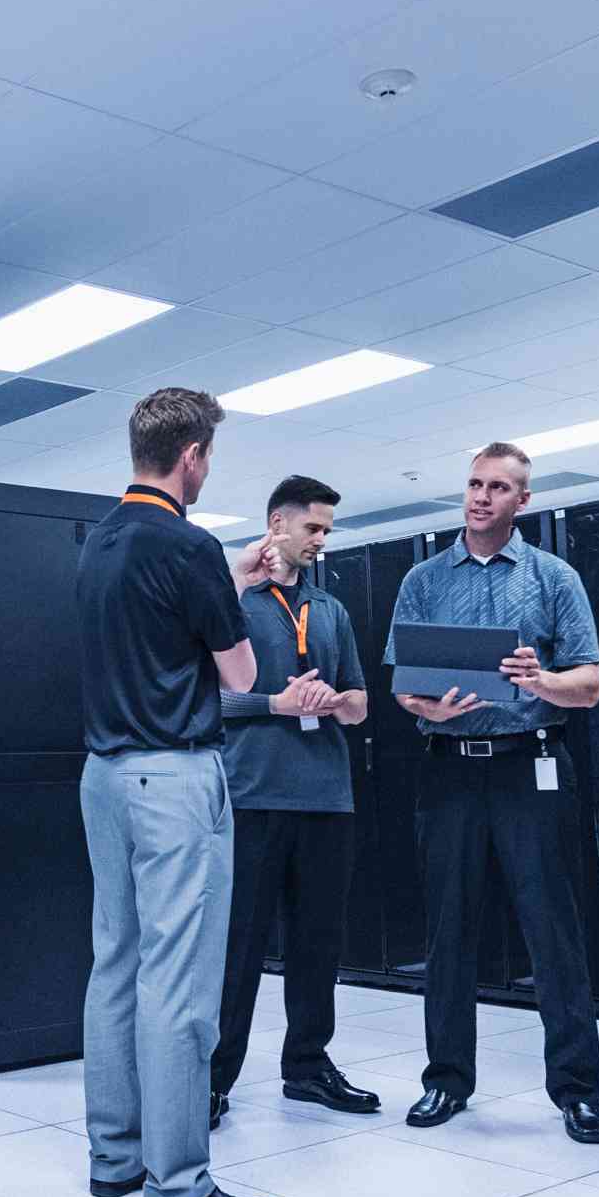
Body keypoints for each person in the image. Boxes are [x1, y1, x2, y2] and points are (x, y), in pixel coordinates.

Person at [73, 386, 282, 1197]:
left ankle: (116, 1159)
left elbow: (155, 617)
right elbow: (238, 677)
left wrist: (224, 580)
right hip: (174, 781)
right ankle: (181, 1186)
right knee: (180, 981)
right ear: (192, 455)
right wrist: (229, 590)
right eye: (209, 458)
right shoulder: (188, 544)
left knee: (115, 963)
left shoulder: (100, 542)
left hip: (103, 779)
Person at [386, 442, 599, 1142]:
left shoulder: (554, 578)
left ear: (523, 501)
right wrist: (430, 710)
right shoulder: (423, 578)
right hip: (450, 767)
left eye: (499, 487)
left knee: (553, 930)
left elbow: (591, 687)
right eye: (476, 483)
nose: (482, 497)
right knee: (448, 929)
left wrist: (539, 680)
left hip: (528, 766)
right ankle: (446, 1082)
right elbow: (404, 686)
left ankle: (576, 1091)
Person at [207, 475, 379, 1128]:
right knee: (239, 948)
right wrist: (275, 703)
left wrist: (330, 701)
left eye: (328, 530)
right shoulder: (234, 605)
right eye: (314, 528)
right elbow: (204, 699)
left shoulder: (329, 610)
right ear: (277, 523)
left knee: (318, 945)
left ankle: (307, 1067)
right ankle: (213, 1079)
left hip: (327, 801)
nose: (322, 540)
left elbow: (361, 703)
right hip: (251, 798)